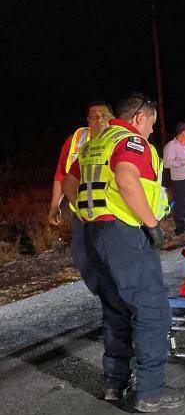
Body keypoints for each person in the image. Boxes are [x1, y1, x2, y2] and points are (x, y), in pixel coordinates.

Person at [61, 92, 185, 413]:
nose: (151, 131)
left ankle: (114, 383)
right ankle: (150, 391)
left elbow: (68, 183)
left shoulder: (95, 144)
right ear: (138, 118)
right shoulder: (130, 142)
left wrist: (87, 211)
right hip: (125, 235)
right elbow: (126, 178)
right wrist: (151, 225)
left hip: (93, 235)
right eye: (151, 124)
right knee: (152, 310)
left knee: (116, 309)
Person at [47, 100, 114, 291]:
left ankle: (119, 303)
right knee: (83, 256)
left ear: (112, 119)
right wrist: (54, 206)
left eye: (104, 116)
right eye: (93, 116)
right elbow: (62, 175)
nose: (98, 120)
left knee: (112, 258)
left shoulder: (118, 139)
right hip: (82, 212)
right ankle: (107, 296)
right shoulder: (77, 140)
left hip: (112, 212)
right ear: (87, 120)